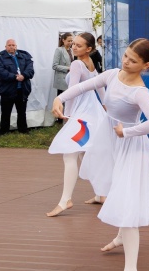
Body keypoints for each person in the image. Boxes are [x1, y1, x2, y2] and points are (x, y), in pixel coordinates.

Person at [52, 38, 149, 271]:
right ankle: (121, 237)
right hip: (110, 140)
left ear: (146, 65)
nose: (126, 62)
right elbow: (83, 87)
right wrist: (60, 99)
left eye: (133, 60)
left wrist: (128, 131)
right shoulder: (112, 74)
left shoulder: (139, 92)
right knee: (115, 190)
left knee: (127, 204)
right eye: (126, 56)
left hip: (132, 148)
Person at [46, 32, 108, 216]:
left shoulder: (76, 64)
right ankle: (101, 193)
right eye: (73, 43)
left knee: (70, 154)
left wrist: (68, 116)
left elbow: (72, 91)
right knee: (84, 154)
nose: (74, 47)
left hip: (81, 114)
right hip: (92, 113)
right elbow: (100, 87)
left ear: (89, 49)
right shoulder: (91, 64)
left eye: (79, 45)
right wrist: (105, 107)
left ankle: (66, 200)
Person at [0, 38, 34, 135]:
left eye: (13, 45)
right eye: (9, 45)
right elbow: (0, 72)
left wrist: (23, 76)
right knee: (6, 112)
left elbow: (30, 70)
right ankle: (4, 131)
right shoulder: (1, 58)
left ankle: (23, 130)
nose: (11, 47)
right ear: (5, 47)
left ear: (16, 46)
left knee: (22, 111)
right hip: (7, 90)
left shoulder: (25, 56)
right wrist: (15, 77)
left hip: (22, 89)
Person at [52, 32, 73, 97]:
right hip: (62, 80)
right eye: (68, 41)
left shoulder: (72, 50)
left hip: (70, 78)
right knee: (62, 98)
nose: (70, 42)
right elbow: (54, 66)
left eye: (71, 41)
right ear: (63, 40)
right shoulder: (59, 50)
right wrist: (68, 68)